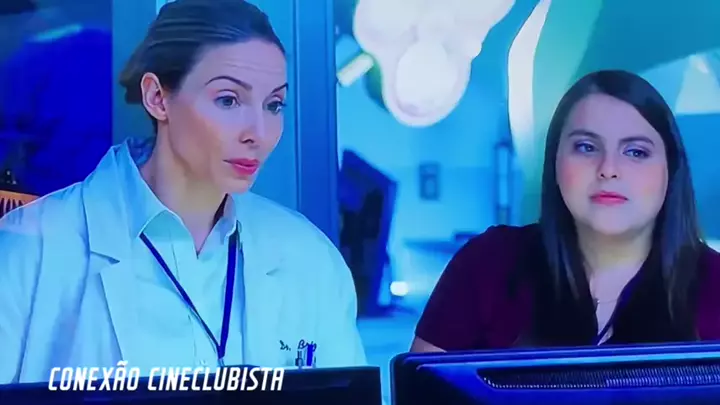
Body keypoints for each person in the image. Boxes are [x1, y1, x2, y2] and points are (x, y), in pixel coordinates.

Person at [0, 0, 366, 383]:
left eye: (274, 105)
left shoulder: (309, 257)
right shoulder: (29, 252)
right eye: (228, 100)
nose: (258, 133)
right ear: (157, 98)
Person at [412, 70, 720, 352]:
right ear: (555, 162)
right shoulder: (488, 263)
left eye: (636, 152)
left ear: (671, 169)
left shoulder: (715, 283)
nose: (608, 169)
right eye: (586, 147)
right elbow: (422, 386)